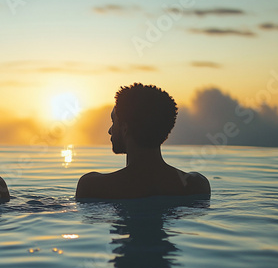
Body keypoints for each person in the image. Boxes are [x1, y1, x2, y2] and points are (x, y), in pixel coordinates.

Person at [76, 83, 210, 199]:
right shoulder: (197, 185)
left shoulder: (93, 187)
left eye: (113, 122)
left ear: (124, 128)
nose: (110, 131)